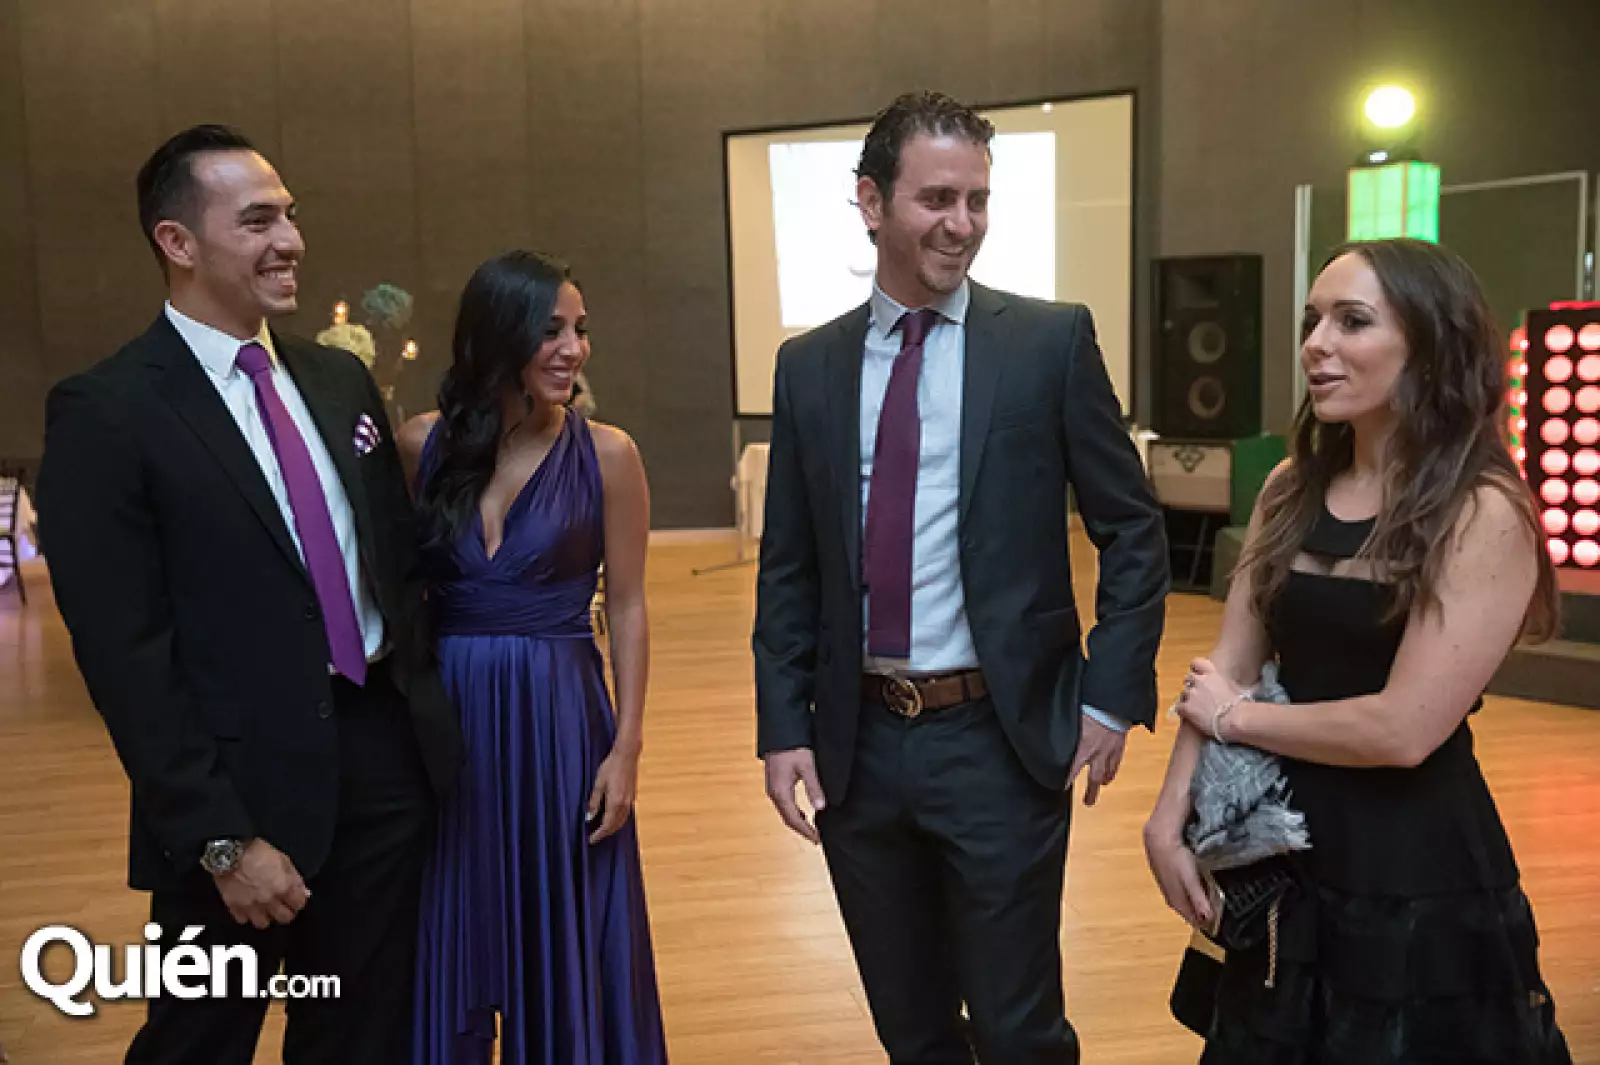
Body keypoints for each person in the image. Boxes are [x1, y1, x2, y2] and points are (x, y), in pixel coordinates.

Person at [752, 91, 1169, 1063]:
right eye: (936, 199)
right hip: (856, 752)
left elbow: (1133, 531)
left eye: (977, 200)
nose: (963, 224)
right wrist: (782, 727)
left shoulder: (1047, 344)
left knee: (1020, 1030)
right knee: (913, 1031)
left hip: (999, 740)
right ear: (870, 201)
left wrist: (1109, 697)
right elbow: (788, 568)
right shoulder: (807, 367)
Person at [35, 124, 462, 1064]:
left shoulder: (337, 375)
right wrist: (220, 837)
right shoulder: (108, 411)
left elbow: (393, 564)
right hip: (235, 793)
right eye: (258, 220)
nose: (291, 240)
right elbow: (124, 653)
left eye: (292, 216)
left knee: (360, 1035)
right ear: (177, 243)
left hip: (382, 772)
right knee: (199, 1040)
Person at [1145, 238, 1572, 1063]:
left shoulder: (1483, 510)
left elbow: (1402, 728)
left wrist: (1236, 721)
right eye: (1313, 321)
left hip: (1411, 864)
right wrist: (1170, 818)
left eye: (1352, 321)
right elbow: (1223, 669)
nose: (1316, 343)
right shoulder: (1289, 486)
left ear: (1429, 341)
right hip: (1280, 854)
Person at [398, 251, 666, 1064]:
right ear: (496, 336)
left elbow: (626, 602)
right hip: (449, 725)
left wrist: (626, 747)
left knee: (567, 928)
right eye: (549, 330)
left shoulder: (609, 455)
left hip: (561, 720)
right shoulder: (420, 446)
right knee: (454, 920)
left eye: (581, 330)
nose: (573, 349)